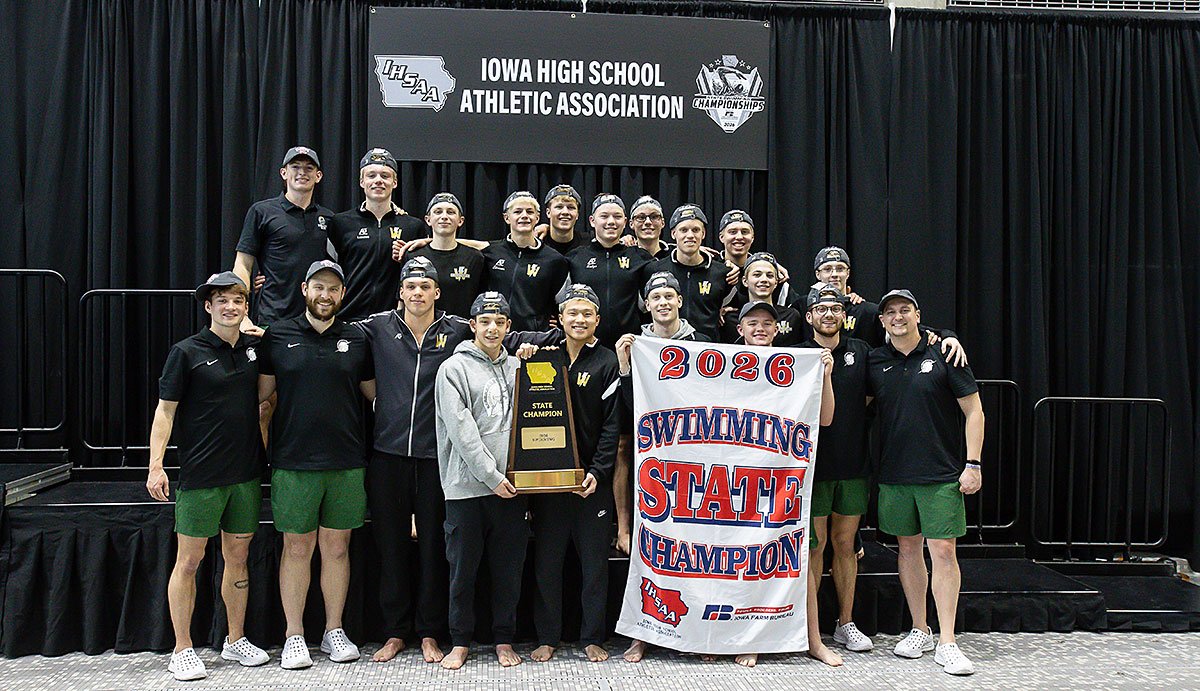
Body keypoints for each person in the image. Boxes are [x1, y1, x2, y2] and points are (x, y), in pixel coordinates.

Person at [147, 272, 269, 681]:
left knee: (238, 558)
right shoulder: (186, 352)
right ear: (208, 306)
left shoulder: (255, 350)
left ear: (245, 306)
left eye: (237, 300)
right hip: (201, 475)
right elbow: (165, 412)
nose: (230, 307)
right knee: (190, 561)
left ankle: (235, 639)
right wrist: (155, 465)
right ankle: (181, 648)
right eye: (222, 301)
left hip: (246, 475)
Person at [256, 260, 375, 670]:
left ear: (342, 295)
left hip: (346, 461)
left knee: (337, 548)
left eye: (334, 290)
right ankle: (294, 635)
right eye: (319, 287)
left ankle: (333, 630)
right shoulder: (278, 335)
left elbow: (374, 396)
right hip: (292, 462)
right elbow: (263, 401)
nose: (325, 296)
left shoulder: (358, 339)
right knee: (297, 547)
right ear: (305, 288)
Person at [354, 257, 472, 664]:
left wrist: (532, 339)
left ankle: (429, 632)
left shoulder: (457, 329)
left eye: (425, 287)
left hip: (437, 458)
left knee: (434, 549)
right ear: (400, 292)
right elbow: (328, 330)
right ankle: (394, 632)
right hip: (387, 456)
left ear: (437, 292)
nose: (418, 293)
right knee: (390, 548)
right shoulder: (376, 327)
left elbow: (503, 334)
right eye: (411, 287)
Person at [867, 289, 984, 676]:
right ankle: (921, 629)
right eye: (890, 313)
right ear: (881, 321)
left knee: (944, 551)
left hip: (941, 473)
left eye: (904, 310)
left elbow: (974, 411)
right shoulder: (876, 360)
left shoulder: (945, 354)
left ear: (918, 314)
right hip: (894, 474)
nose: (897, 317)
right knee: (907, 550)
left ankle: (948, 642)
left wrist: (973, 464)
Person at [506, 284, 622, 664]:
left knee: (594, 568)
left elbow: (611, 427)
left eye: (587, 314)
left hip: (591, 485)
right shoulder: (543, 355)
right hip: (549, 483)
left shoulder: (605, 362)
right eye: (573, 313)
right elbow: (499, 344)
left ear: (597, 321)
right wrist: (520, 352)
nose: (580, 320)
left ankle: (592, 637)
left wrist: (598, 473)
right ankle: (548, 637)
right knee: (547, 565)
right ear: (560, 318)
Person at [731, 301, 839, 669]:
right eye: (752, 323)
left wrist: (824, 375)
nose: (760, 328)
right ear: (740, 329)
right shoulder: (724, 366)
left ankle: (814, 641)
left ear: (777, 329)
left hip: (782, 482)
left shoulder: (798, 365)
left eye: (767, 323)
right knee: (740, 560)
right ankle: (747, 639)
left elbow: (825, 419)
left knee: (797, 561)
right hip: (736, 484)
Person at [613, 271, 707, 665]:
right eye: (657, 297)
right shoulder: (636, 345)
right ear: (646, 305)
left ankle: (700, 633)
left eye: (671, 295)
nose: (664, 302)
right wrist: (624, 365)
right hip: (650, 456)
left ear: (680, 301)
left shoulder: (702, 344)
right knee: (650, 551)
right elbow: (623, 408)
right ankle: (642, 635)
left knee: (694, 549)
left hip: (691, 461)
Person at [435, 292, 529, 670]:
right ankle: (460, 641)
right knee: (462, 571)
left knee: (508, 569)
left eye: (500, 322)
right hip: (466, 487)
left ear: (508, 328)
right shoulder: (453, 369)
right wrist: (491, 476)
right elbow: (461, 430)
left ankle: (503, 639)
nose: (492, 328)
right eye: (485, 322)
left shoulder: (519, 368)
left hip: (512, 488)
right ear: (472, 325)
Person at [799, 284, 875, 655]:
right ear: (809, 316)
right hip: (810, 469)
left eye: (835, 308)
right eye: (821, 308)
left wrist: (945, 337)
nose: (828, 314)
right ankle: (806, 627)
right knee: (814, 547)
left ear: (844, 316)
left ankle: (846, 623)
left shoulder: (861, 353)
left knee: (845, 545)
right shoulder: (796, 356)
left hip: (853, 466)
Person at [233, 146, 333, 330]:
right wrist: (242, 315)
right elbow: (243, 265)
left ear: (318, 176)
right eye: (295, 166)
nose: (302, 172)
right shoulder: (261, 212)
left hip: (316, 320)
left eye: (309, 168)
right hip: (272, 318)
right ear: (283, 173)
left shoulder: (329, 219)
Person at [327, 148, 426, 321]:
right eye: (371, 175)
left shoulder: (412, 226)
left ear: (395, 182)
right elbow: (328, 271)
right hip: (348, 318)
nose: (378, 181)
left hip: (393, 322)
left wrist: (405, 257)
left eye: (385, 176)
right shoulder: (340, 223)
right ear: (361, 181)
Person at [564, 194, 656, 348]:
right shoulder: (574, 259)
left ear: (625, 221)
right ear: (592, 221)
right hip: (585, 349)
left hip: (630, 347)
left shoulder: (641, 259)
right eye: (604, 216)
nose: (611, 222)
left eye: (617, 216)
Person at [481, 191, 570, 331]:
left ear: (537, 217)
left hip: (534, 339)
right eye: (517, 211)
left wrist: (557, 323)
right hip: (495, 336)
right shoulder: (491, 252)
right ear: (507, 218)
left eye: (529, 211)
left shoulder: (554, 260)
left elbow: (566, 303)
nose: (524, 216)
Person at [647, 205, 735, 341]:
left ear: (703, 233)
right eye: (683, 230)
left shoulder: (723, 273)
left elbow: (734, 306)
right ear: (673, 233)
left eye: (695, 230)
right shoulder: (654, 269)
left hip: (706, 350)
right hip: (662, 350)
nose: (690, 235)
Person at [406, 193, 487, 319]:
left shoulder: (475, 258)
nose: (444, 216)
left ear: (460, 221)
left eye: (450, 212)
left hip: (462, 332)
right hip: (423, 330)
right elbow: (402, 301)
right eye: (438, 212)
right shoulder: (413, 256)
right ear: (428, 219)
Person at [724, 251, 804, 345]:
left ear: (776, 282)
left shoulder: (791, 316)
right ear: (745, 281)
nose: (764, 280)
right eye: (757, 275)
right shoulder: (730, 319)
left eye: (770, 276)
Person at [541, 184, 592, 255]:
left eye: (571, 207)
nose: (565, 212)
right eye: (559, 207)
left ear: (577, 214)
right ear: (548, 213)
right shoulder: (538, 244)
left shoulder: (589, 244)